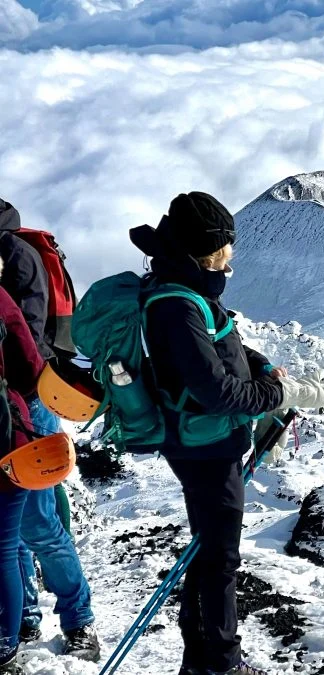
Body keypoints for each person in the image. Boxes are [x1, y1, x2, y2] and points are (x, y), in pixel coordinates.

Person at [130, 192, 324, 675]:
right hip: (203, 446)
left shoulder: (188, 288)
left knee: (207, 551)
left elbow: (225, 350)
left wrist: (263, 368)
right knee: (218, 559)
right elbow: (218, 393)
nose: (234, 254)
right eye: (228, 244)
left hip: (207, 441)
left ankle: (200, 658)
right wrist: (279, 395)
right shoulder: (177, 304)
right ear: (210, 248)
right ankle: (220, 664)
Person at [0, 199, 97, 660]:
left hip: (29, 400)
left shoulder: (17, 254)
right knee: (11, 522)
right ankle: (25, 616)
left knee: (38, 522)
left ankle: (79, 619)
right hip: (9, 402)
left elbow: (28, 337)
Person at [0, 255, 50, 674]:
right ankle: (6, 647)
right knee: (5, 546)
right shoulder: (1, 299)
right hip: (6, 439)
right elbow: (31, 368)